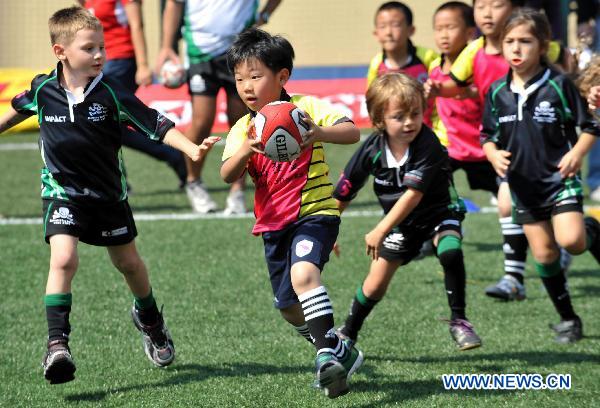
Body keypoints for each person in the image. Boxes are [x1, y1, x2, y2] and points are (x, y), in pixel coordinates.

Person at [0, 6, 220, 384]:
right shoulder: (43, 88)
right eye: (89, 48)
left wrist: (192, 149)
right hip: (61, 193)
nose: (100, 55)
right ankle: (57, 345)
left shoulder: (111, 92)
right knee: (64, 259)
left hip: (108, 197)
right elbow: (17, 110)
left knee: (129, 265)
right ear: (61, 52)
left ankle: (150, 320)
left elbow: (155, 123)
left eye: (101, 47)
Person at [220, 28, 363, 398]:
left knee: (304, 275)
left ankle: (325, 353)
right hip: (273, 225)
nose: (246, 87)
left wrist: (318, 134)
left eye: (255, 76)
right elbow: (226, 174)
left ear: (282, 76)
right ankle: (339, 350)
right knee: (287, 306)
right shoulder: (242, 128)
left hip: (316, 213)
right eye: (239, 79)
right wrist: (248, 150)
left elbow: (351, 132)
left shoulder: (306, 107)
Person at [425, 0, 572, 301]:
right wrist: (436, 89)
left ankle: (571, 237)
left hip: (543, 142)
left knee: (542, 213)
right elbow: (454, 83)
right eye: (481, 6)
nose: (488, 13)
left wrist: (568, 79)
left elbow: (564, 63)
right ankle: (514, 278)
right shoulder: (474, 50)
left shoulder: (533, 39)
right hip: (499, 141)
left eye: (496, 5)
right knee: (506, 204)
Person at [334, 73, 482, 352]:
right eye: (398, 116)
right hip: (403, 224)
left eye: (415, 113)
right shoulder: (372, 149)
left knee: (450, 249)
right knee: (375, 283)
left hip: (440, 211)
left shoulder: (428, 145)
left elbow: (413, 195)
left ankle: (459, 321)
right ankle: (348, 331)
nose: (409, 122)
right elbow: (345, 189)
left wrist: (380, 229)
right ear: (379, 121)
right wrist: (329, 228)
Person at [481, 9, 600, 343]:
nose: (516, 49)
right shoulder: (496, 92)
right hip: (522, 187)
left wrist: (576, 153)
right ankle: (569, 319)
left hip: (559, 181)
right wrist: (492, 153)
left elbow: (591, 124)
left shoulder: (559, 85)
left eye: (526, 41)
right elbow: (487, 134)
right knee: (545, 255)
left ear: (544, 45)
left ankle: (591, 230)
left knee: (572, 242)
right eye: (509, 42)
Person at [157, 0, 282, 214]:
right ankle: (194, 182)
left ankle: (237, 190)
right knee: (202, 121)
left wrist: (264, 16)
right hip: (199, 51)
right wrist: (167, 46)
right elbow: (173, 5)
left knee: (241, 122)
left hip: (240, 50)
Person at [82, 0, 188, 190]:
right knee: (106, 125)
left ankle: (168, 156)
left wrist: (143, 65)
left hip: (122, 61)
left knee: (103, 122)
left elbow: (137, 25)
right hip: (100, 64)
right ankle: (119, 176)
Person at [429, 2, 498, 195]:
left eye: (450, 28)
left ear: (469, 32)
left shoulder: (478, 61)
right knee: (432, 189)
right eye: (438, 29)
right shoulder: (434, 67)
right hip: (449, 146)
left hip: (483, 146)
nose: (443, 35)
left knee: (507, 198)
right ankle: (447, 225)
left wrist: (473, 92)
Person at [367, 1, 438, 126]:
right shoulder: (376, 64)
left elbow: (443, 97)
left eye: (395, 25)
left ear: (411, 30)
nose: (389, 32)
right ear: (376, 34)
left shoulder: (428, 57)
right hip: (396, 136)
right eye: (382, 26)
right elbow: (373, 100)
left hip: (430, 133)